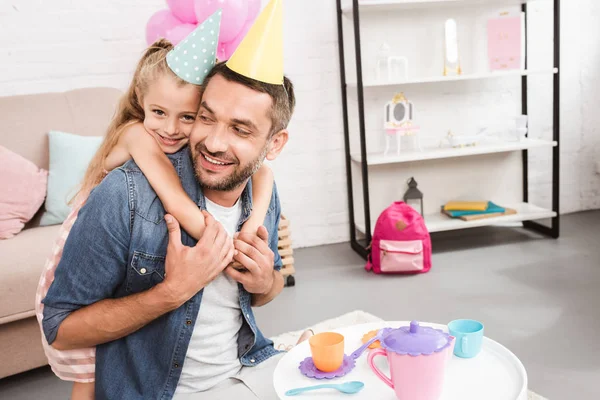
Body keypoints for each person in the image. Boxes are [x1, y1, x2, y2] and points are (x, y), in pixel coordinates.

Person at [35, 16, 274, 400]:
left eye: (189, 117)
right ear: (140, 105)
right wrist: (222, 247)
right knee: (91, 374)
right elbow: (176, 201)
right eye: (159, 112)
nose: (171, 129)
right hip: (77, 256)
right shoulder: (137, 138)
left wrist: (254, 228)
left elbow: (265, 175)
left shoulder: (206, 157)